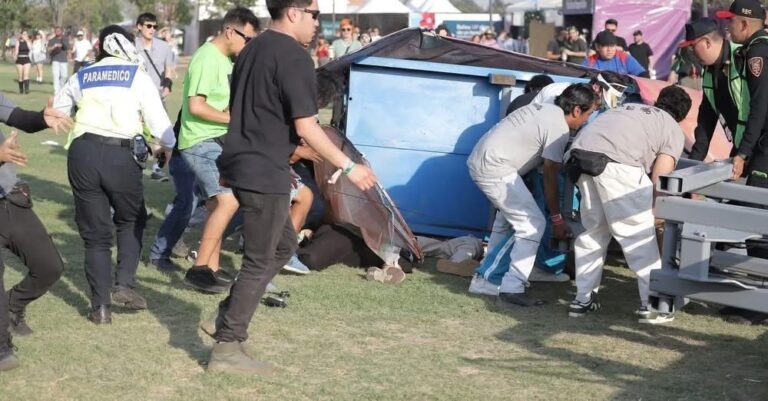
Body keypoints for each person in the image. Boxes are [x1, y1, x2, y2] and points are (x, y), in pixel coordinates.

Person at [204, 0, 376, 374]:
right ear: (294, 12)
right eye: (314, 15)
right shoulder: (293, 56)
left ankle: (227, 319)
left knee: (283, 245)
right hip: (262, 169)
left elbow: (247, 110)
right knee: (261, 258)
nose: (318, 23)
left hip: (245, 162)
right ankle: (227, 347)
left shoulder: (252, 49)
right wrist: (349, 165)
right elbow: (306, 126)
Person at [53, 25, 175, 325]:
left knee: (95, 236)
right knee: (131, 219)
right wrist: (166, 148)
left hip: (82, 154)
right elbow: (162, 128)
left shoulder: (83, 74)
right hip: (121, 156)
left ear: (100, 46)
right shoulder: (137, 75)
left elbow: (57, 109)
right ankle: (124, 285)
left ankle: (100, 309)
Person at [565, 85, 692, 323]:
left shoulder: (626, 108)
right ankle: (654, 306)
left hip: (580, 159)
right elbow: (661, 179)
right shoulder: (671, 127)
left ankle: (582, 299)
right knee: (639, 238)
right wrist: (657, 213)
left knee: (593, 235)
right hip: (617, 166)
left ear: (657, 101)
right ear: (682, 116)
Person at [466, 84, 598, 306]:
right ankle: (507, 285)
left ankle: (487, 279)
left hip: (487, 161)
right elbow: (550, 175)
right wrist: (556, 218)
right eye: (588, 114)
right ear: (576, 110)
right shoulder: (559, 128)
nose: (586, 121)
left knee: (507, 223)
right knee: (533, 225)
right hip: (495, 167)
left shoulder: (545, 109)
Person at [176, 8, 259, 293]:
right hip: (200, 141)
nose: (247, 45)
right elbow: (196, 106)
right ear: (229, 31)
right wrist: (234, 118)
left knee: (216, 204)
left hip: (217, 140)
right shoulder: (206, 59)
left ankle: (211, 268)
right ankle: (199, 269)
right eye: (246, 39)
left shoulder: (225, 60)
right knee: (227, 201)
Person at [0, 94, 72, 371]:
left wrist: (41, 118)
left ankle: (12, 306)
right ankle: (2, 347)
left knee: (49, 267)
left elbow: (18, 117)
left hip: (11, 199)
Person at [679, 18, 742, 162]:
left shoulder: (742, 59)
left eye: (692, 47)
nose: (692, 53)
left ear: (707, 42)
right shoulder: (709, 71)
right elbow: (706, 117)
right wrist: (695, 160)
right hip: (742, 146)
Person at [135, 12, 175, 181]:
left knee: (162, 133)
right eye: (148, 26)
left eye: (154, 26)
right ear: (139, 26)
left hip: (157, 97)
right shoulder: (131, 46)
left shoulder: (164, 47)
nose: (152, 29)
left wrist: (167, 85)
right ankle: (134, 167)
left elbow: (170, 69)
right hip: (135, 97)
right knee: (136, 133)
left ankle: (157, 169)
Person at [583, 30, 648, 77]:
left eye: (612, 46)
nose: (609, 50)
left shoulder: (624, 57)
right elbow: (578, 78)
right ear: (597, 47)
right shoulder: (589, 61)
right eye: (605, 46)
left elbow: (643, 74)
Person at [47, 26, 68, 94]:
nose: (57, 32)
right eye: (56, 31)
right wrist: (54, 47)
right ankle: (56, 91)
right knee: (55, 76)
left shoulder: (64, 39)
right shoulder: (52, 40)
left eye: (59, 31)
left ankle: (61, 88)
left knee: (64, 76)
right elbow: (48, 49)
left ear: (61, 31)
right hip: (55, 59)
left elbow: (67, 47)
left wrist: (61, 45)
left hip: (63, 60)